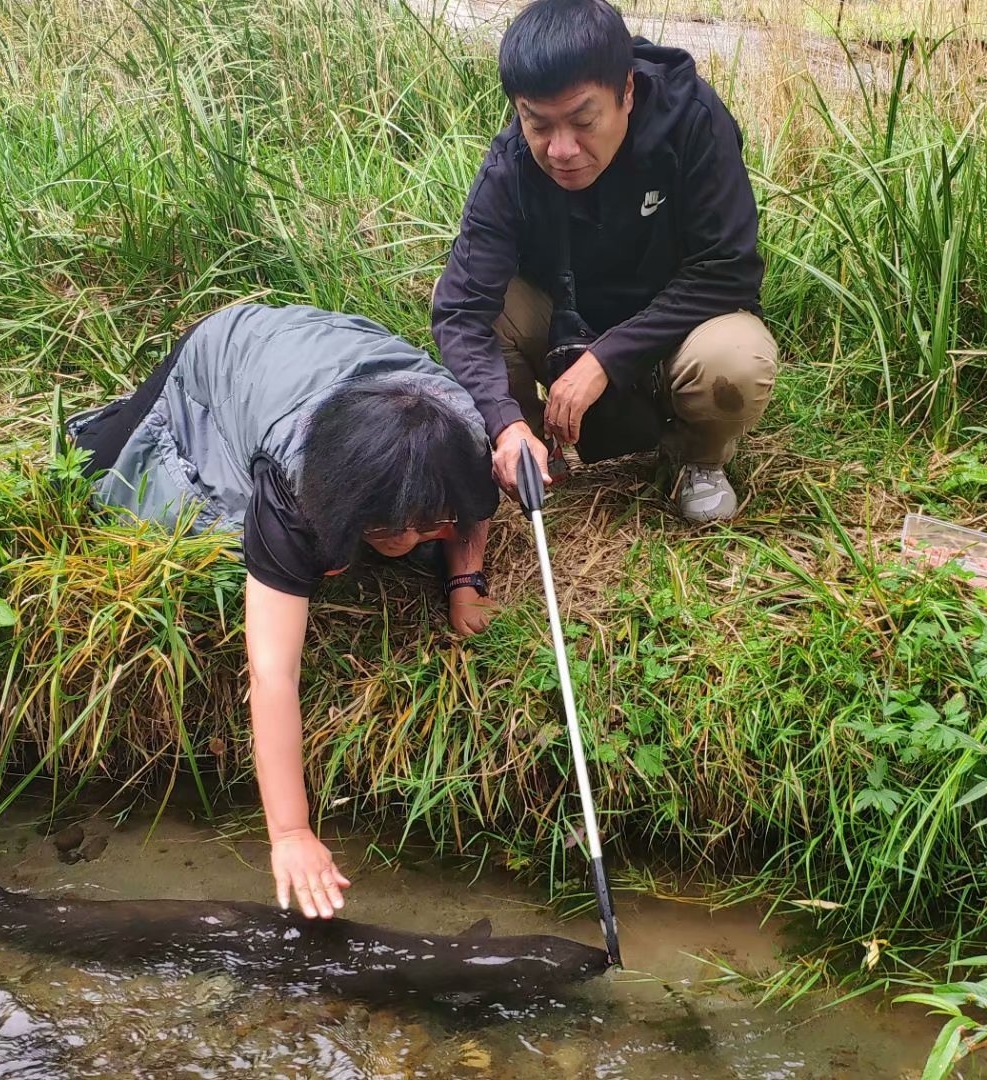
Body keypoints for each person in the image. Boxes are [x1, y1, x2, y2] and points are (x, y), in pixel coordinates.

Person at [65, 303, 500, 921]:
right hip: (230, 357)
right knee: (129, 486)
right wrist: (291, 833)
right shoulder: (292, 485)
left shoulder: (464, 441)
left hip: (330, 351)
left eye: (424, 524)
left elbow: (474, 507)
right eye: (383, 526)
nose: (406, 540)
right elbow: (273, 674)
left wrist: (464, 580)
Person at [432, 0, 779, 522]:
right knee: (468, 301)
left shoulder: (692, 120)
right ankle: (529, 451)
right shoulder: (510, 166)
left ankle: (697, 457)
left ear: (627, 92)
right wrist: (502, 419)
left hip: (677, 324)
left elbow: (729, 268)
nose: (561, 149)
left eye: (583, 120)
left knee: (737, 359)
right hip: (565, 318)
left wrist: (604, 359)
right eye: (538, 124)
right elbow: (460, 311)